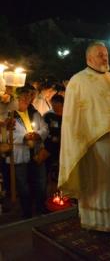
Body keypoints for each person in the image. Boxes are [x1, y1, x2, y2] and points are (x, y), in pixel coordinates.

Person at [58, 41, 110, 232]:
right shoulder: (78, 81)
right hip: (96, 142)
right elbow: (75, 117)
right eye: (100, 55)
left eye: (106, 54)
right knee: (103, 182)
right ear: (89, 58)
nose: (105, 57)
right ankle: (102, 221)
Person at [10, 86, 49, 218]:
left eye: (28, 97)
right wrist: (23, 137)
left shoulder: (34, 112)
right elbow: (4, 136)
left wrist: (37, 135)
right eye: (24, 98)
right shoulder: (9, 116)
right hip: (20, 155)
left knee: (41, 182)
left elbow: (45, 128)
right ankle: (27, 211)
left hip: (37, 153)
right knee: (23, 185)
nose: (27, 100)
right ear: (16, 100)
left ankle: (40, 207)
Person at [43, 94, 64, 189]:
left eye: (57, 104)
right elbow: (44, 129)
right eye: (53, 104)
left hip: (62, 148)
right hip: (49, 147)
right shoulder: (48, 116)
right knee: (47, 167)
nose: (55, 106)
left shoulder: (67, 116)